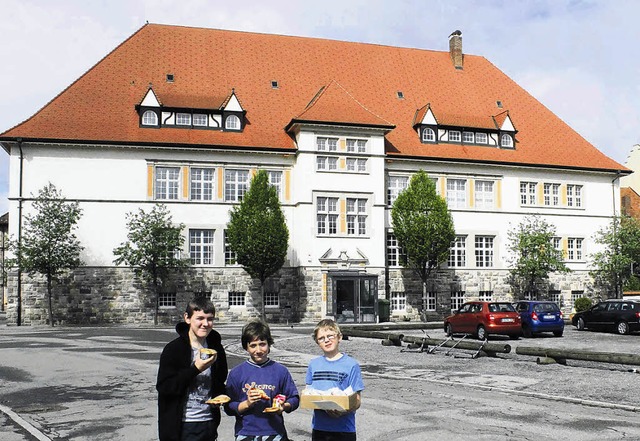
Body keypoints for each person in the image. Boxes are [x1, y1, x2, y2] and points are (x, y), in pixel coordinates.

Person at [157, 297, 228, 441]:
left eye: (210, 319)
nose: (205, 324)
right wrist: (195, 368)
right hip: (183, 424)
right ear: (187, 318)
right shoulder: (174, 349)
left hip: (208, 422)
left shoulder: (215, 348)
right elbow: (165, 387)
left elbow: (220, 380)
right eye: (200, 318)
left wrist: (222, 395)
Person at [225, 320, 300, 441]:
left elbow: (294, 398)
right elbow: (228, 406)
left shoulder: (280, 371)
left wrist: (283, 406)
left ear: (269, 344)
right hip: (245, 432)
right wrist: (247, 403)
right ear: (246, 347)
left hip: (274, 431)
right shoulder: (236, 373)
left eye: (262, 344)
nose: (258, 350)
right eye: (253, 345)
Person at [305, 319, 364, 441]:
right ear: (317, 342)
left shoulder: (351, 365)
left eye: (330, 336)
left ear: (339, 337)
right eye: (321, 338)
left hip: (344, 429)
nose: (326, 340)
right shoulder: (313, 365)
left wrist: (343, 410)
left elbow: (357, 400)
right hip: (320, 428)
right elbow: (308, 392)